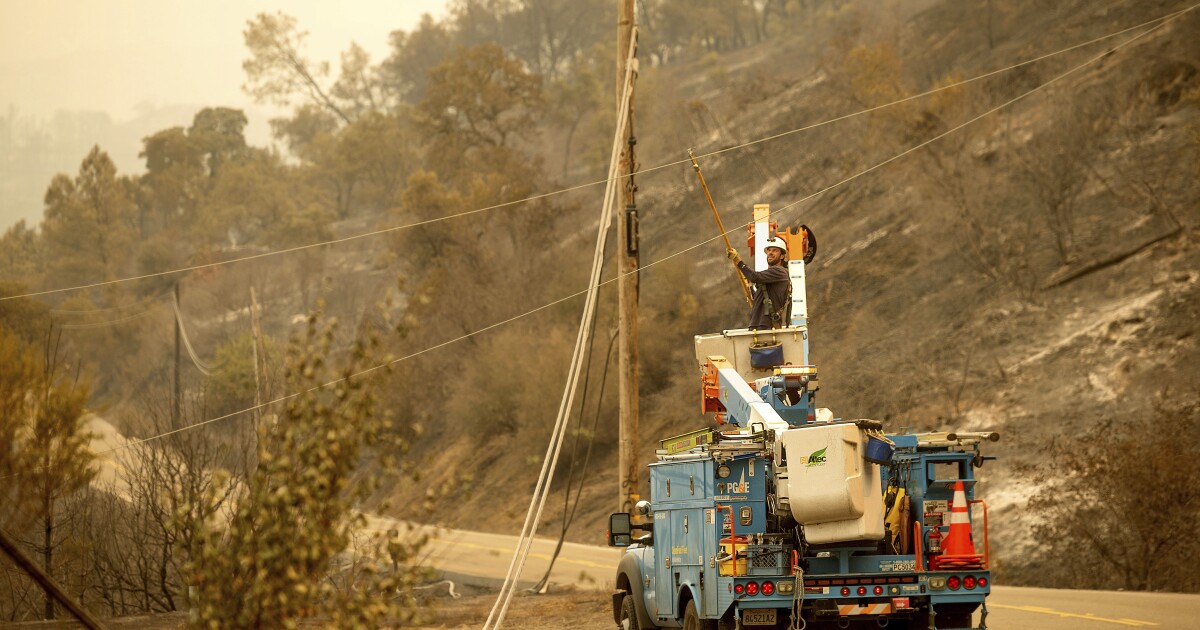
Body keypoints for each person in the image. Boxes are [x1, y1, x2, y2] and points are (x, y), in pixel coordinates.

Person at [727, 237, 790, 329]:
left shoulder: (779, 272)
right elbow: (759, 298)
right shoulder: (770, 277)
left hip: (767, 326)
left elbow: (754, 276)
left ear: (782, 256)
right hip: (758, 325)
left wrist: (738, 260)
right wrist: (750, 287)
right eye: (769, 250)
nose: (770, 253)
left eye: (775, 250)